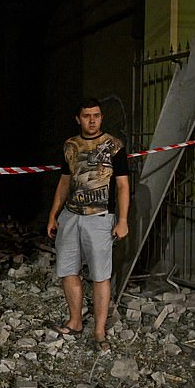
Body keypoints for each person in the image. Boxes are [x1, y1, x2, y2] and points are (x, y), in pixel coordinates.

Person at [46, 98, 130, 353]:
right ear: (78, 118)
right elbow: (64, 182)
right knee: (68, 270)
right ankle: (75, 321)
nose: (92, 120)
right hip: (71, 216)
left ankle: (99, 330)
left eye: (96, 115)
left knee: (100, 275)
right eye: (86, 116)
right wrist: (53, 215)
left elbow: (123, 185)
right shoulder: (70, 146)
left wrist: (123, 220)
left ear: (101, 117)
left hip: (100, 217)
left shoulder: (114, 146)